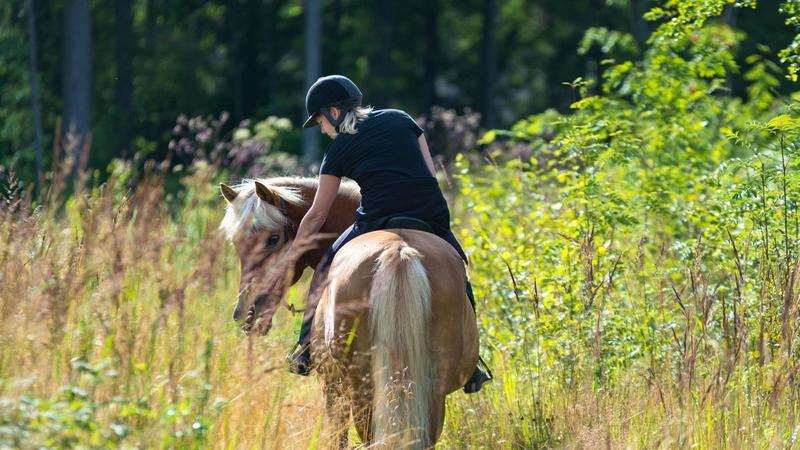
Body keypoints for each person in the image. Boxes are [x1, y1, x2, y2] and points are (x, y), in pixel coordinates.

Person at [286, 74, 490, 393]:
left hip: (377, 219)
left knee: (325, 267)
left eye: (320, 122)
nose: (323, 129)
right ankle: (474, 362)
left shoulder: (338, 149)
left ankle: (304, 350)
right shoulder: (402, 119)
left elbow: (317, 215)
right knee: (458, 269)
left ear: (334, 112)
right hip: (431, 213)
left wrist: (292, 254)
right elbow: (429, 173)